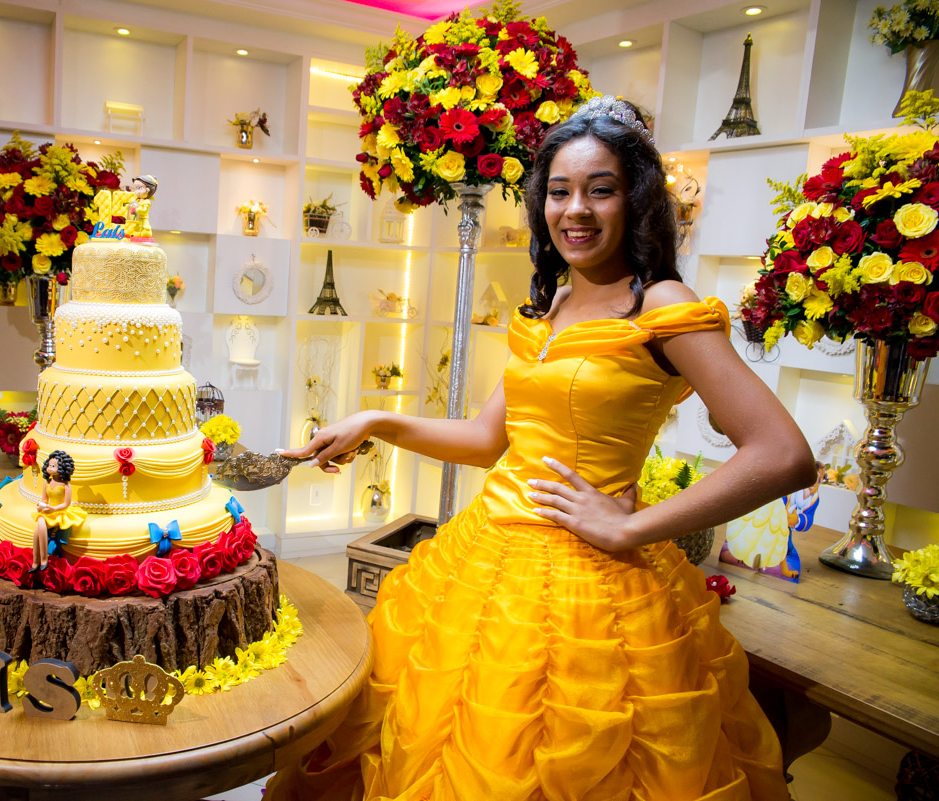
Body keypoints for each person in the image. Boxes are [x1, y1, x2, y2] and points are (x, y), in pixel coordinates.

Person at [266, 96, 816, 801]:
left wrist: (634, 526)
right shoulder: (551, 305)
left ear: (638, 200)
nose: (575, 210)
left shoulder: (662, 305)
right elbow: (486, 440)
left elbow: (782, 453)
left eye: (600, 190)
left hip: (588, 585)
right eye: (559, 191)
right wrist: (377, 419)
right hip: (484, 556)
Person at [30, 449, 87, 573]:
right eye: (49, 465)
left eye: (53, 466)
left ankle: (42, 560)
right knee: (37, 529)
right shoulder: (46, 482)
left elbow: (66, 504)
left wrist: (53, 509)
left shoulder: (66, 486)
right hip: (48, 511)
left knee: (39, 525)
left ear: (62, 467)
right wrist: (41, 506)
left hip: (60, 513)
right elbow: (44, 499)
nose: (50, 468)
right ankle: (37, 561)